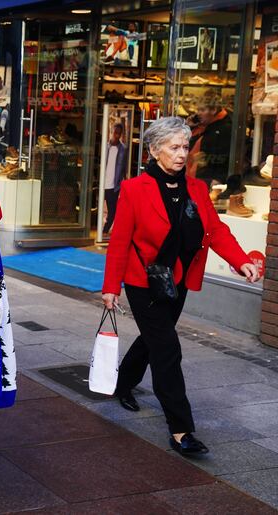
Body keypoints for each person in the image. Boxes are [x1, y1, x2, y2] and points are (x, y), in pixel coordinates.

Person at [101, 116, 261, 457]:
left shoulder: (197, 189)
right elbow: (120, 241)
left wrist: (241, 259)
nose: (181, 154)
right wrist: (110, 286)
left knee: (154, 341)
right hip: (143, 282)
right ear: (155, 150)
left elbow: (215, 231)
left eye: (185, 147)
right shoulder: (133, 189)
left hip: (179, 280)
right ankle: (181, 429)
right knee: (168, 350)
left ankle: (123, 382)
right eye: (174, 147)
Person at [187, 92, 232, 187]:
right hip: (200, 178)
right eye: (198, 110)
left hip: (209, 181)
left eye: (202, 110)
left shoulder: (224, 128)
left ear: (214, 110)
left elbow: (226, 157)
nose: (198, 113)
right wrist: (190, 127)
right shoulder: (204, 127)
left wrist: (218, 179)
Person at [103, 123, 127, 234]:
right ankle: (101, 229)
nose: (116, 135)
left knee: (112, 211)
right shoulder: (105, 146)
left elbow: (124, 168)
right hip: (102, 183)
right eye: (115, 133)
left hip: (114, 185)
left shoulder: (123, 149)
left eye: (119, 133)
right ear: (112, 132)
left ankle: (104, 230)